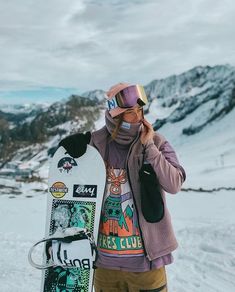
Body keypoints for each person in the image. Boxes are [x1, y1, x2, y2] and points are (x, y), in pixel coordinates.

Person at [59, 82, 186, 292]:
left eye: (139, 110)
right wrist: (69, 149)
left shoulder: (157, 142)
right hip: (104, 265)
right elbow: (67, 177)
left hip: (146, 265)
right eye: (130, 113)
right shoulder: (94, 145)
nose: (138, 117)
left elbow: (174, 184)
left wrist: (150, 148)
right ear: (115, 115)